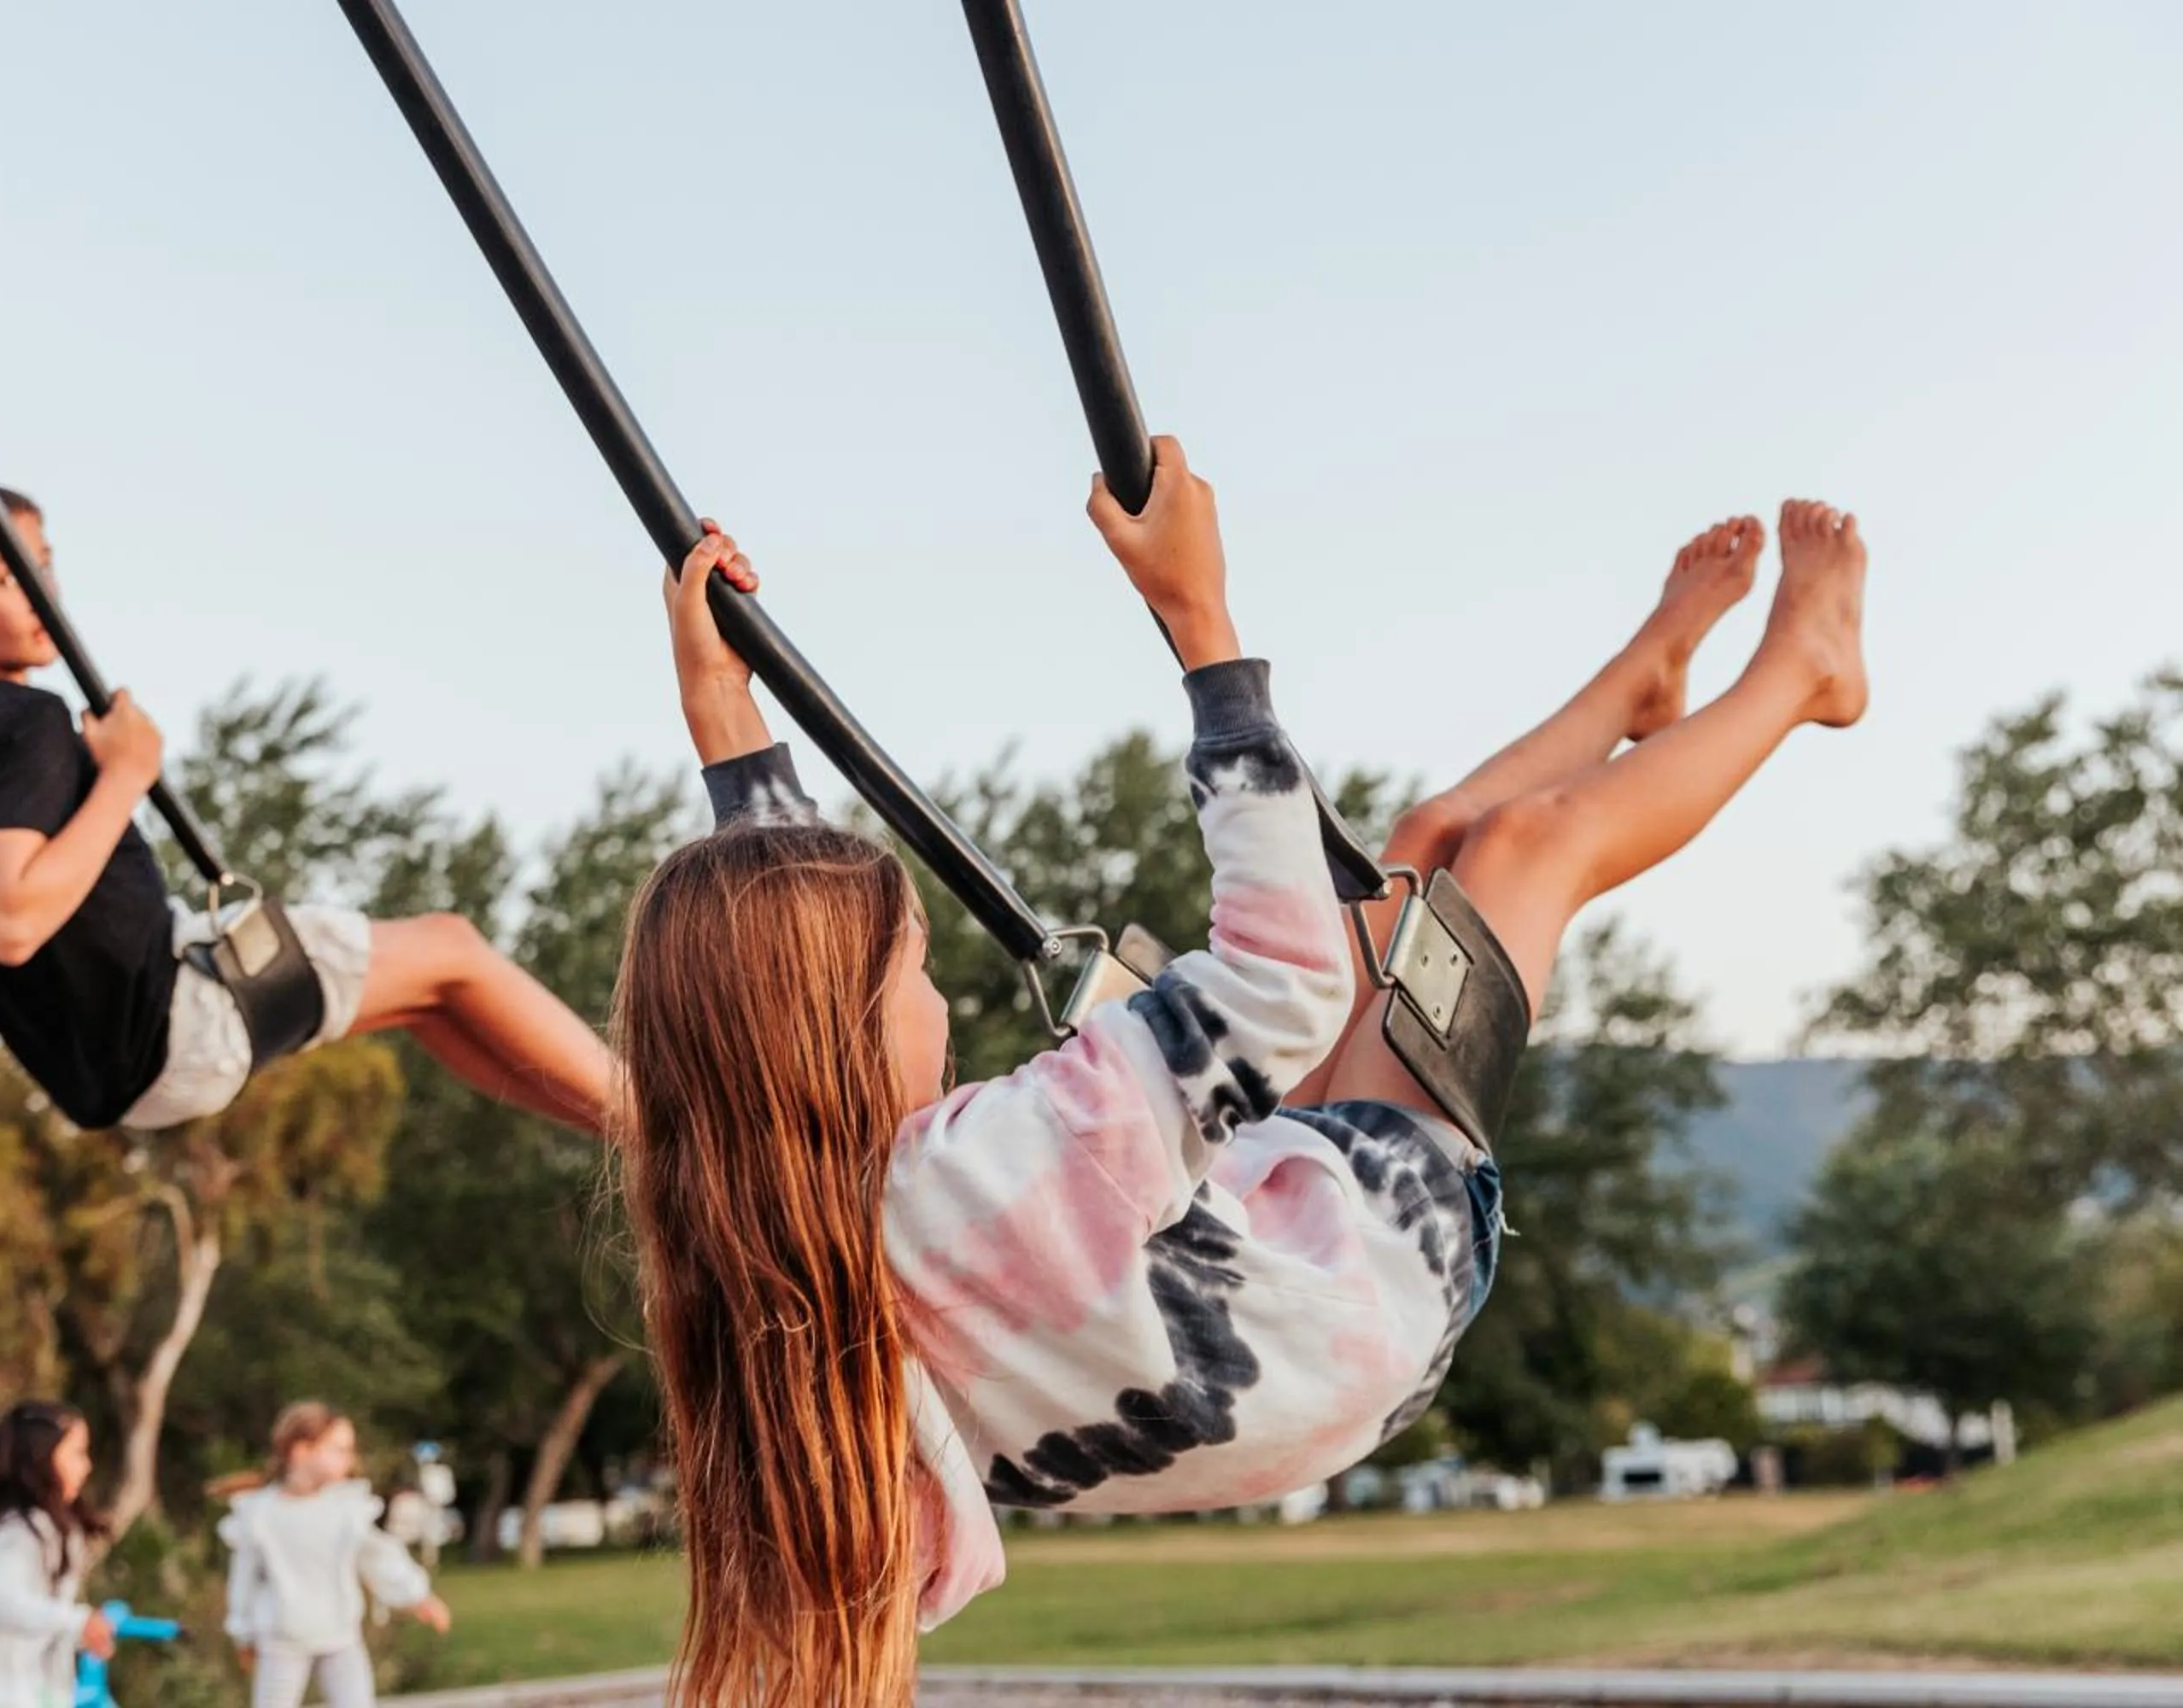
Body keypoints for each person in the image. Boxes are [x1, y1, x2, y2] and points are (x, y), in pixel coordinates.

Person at [612, 439, 1869, 1705]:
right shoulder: (990, 1169)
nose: (939, 1001)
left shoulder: (766, 1245)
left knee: (1419, 855)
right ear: (831, 1031)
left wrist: (727, 726)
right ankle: (1806, 671)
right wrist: (1200, 621)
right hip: (1390, 1259)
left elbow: (774, 976)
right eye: (917, 972)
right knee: (1526, 850)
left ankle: (1642, 685)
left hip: (1283, 1298)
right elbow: (1285, 977)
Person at [0, 476, 612, 1133]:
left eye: (43, 564)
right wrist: (126, 775)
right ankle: (667, 1125)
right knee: (451, 947)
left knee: (428, 996)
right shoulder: (21, 719)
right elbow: (9, 927)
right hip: (173, 1018)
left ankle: (631, 1138)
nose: (44, 590)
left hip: (105, 1078)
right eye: (10, 577)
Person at [220, 1402, 453, 1708]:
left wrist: (416, 1595)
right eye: (339, 1450)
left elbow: (378, 1556)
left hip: (341, 1637)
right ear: (301, 1451)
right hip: (283, 1640)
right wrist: (243, 1633)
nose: (349, 1459)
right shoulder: (260, 1514)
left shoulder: (345, 1508)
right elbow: (244, 1579)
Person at [0, 1401, 113, 1708]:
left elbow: (42, 1624)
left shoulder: (60, 1530)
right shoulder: (14, 1532)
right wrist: (78, 1621)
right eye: (78, 1453)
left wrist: (80, 1633)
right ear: (43, 1457)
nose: (87, 1466)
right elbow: (3, 1600)